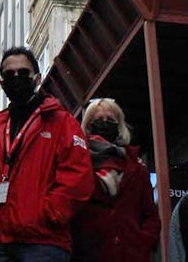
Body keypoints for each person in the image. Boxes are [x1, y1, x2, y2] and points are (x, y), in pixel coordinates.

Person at [0, 47, 93, 262]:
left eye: (22, 73)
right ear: (1, 82)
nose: (16, 78)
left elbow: (79, 176)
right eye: (9, 74)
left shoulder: (62, 123)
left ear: (37, 78)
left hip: (42, 242)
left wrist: (50, 213)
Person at [71, 99, 159, 262]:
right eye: (98, 120)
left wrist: (143, 241)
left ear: (119, 125)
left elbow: (150, 214)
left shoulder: (136, 167)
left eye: (110, 120)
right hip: (89, 253)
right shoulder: (77, 162)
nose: (104, 124)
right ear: (88, 125)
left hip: (131, 253)